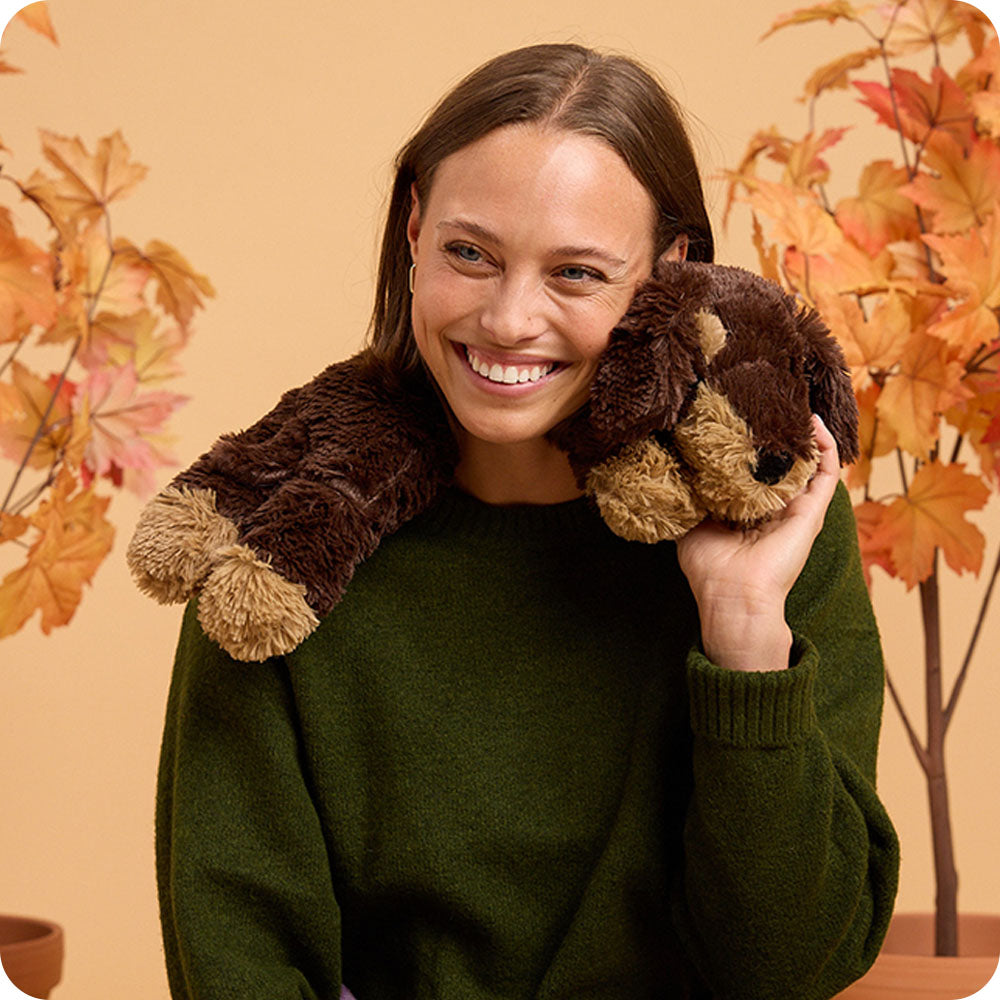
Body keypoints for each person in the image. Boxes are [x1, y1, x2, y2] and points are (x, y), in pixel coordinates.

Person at [155, 43, 899, 1000]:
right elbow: (235, 961)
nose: (509, 320)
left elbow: (793, 966)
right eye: (471, 253)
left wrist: (745, 639)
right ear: (414, 229)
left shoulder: (768, 523)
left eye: (577, 273)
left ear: (668, 273)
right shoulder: (283, 541)